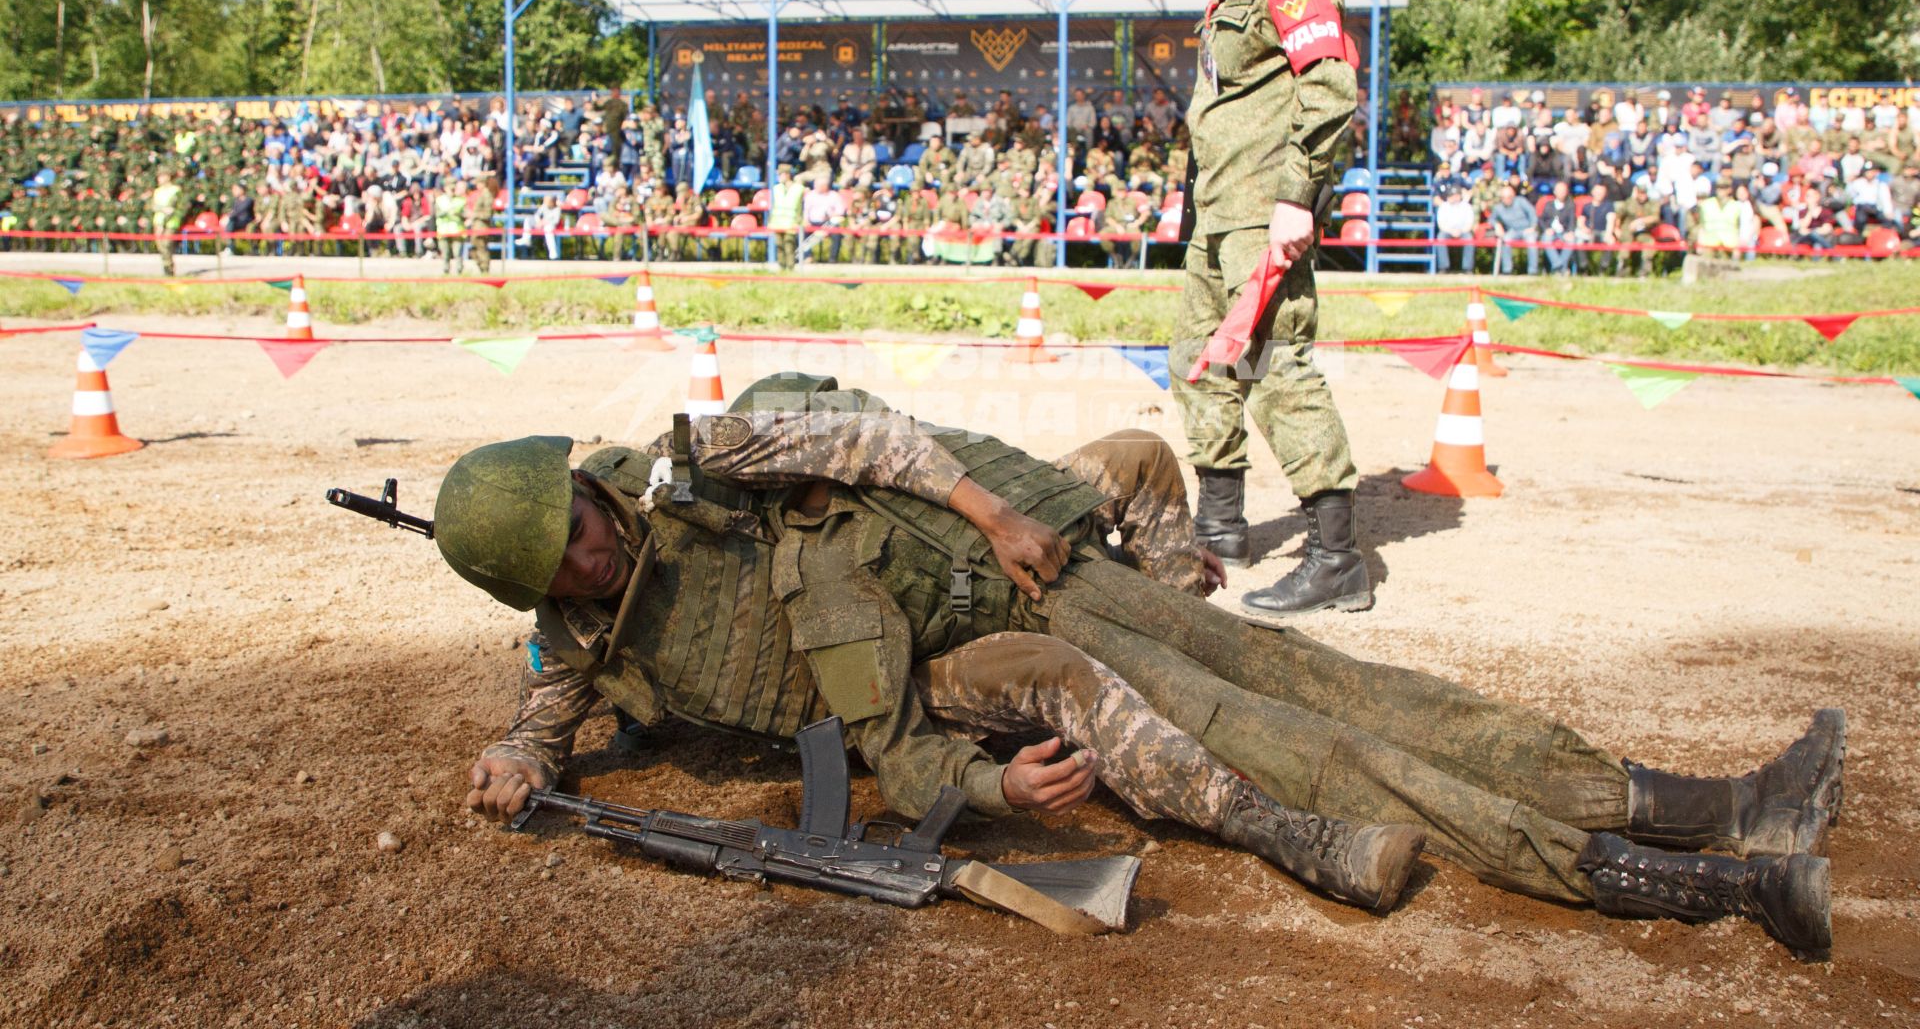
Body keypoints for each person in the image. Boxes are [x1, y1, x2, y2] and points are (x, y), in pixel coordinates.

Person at [433, 377, 1841, 956]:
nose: (588, 562)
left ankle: (1690, 804)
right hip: (970, 661)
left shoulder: (704, 462)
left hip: (1021, 569)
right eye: (555, 569)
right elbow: (539, 725)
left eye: (584, 534)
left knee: (1311, 693)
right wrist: (513, 759)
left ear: (593, 492)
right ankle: (1691, 865)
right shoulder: (572, 642)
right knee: (1283, 722)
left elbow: (871, 443)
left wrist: (996, 519)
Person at [1157, 0, 1368, 618]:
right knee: (1199, 362)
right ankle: (1222, 527)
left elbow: (1329, 85)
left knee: (1277, 368)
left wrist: (1294, 195)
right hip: (1218, 210)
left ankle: (1338, 557)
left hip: (1261, 207)